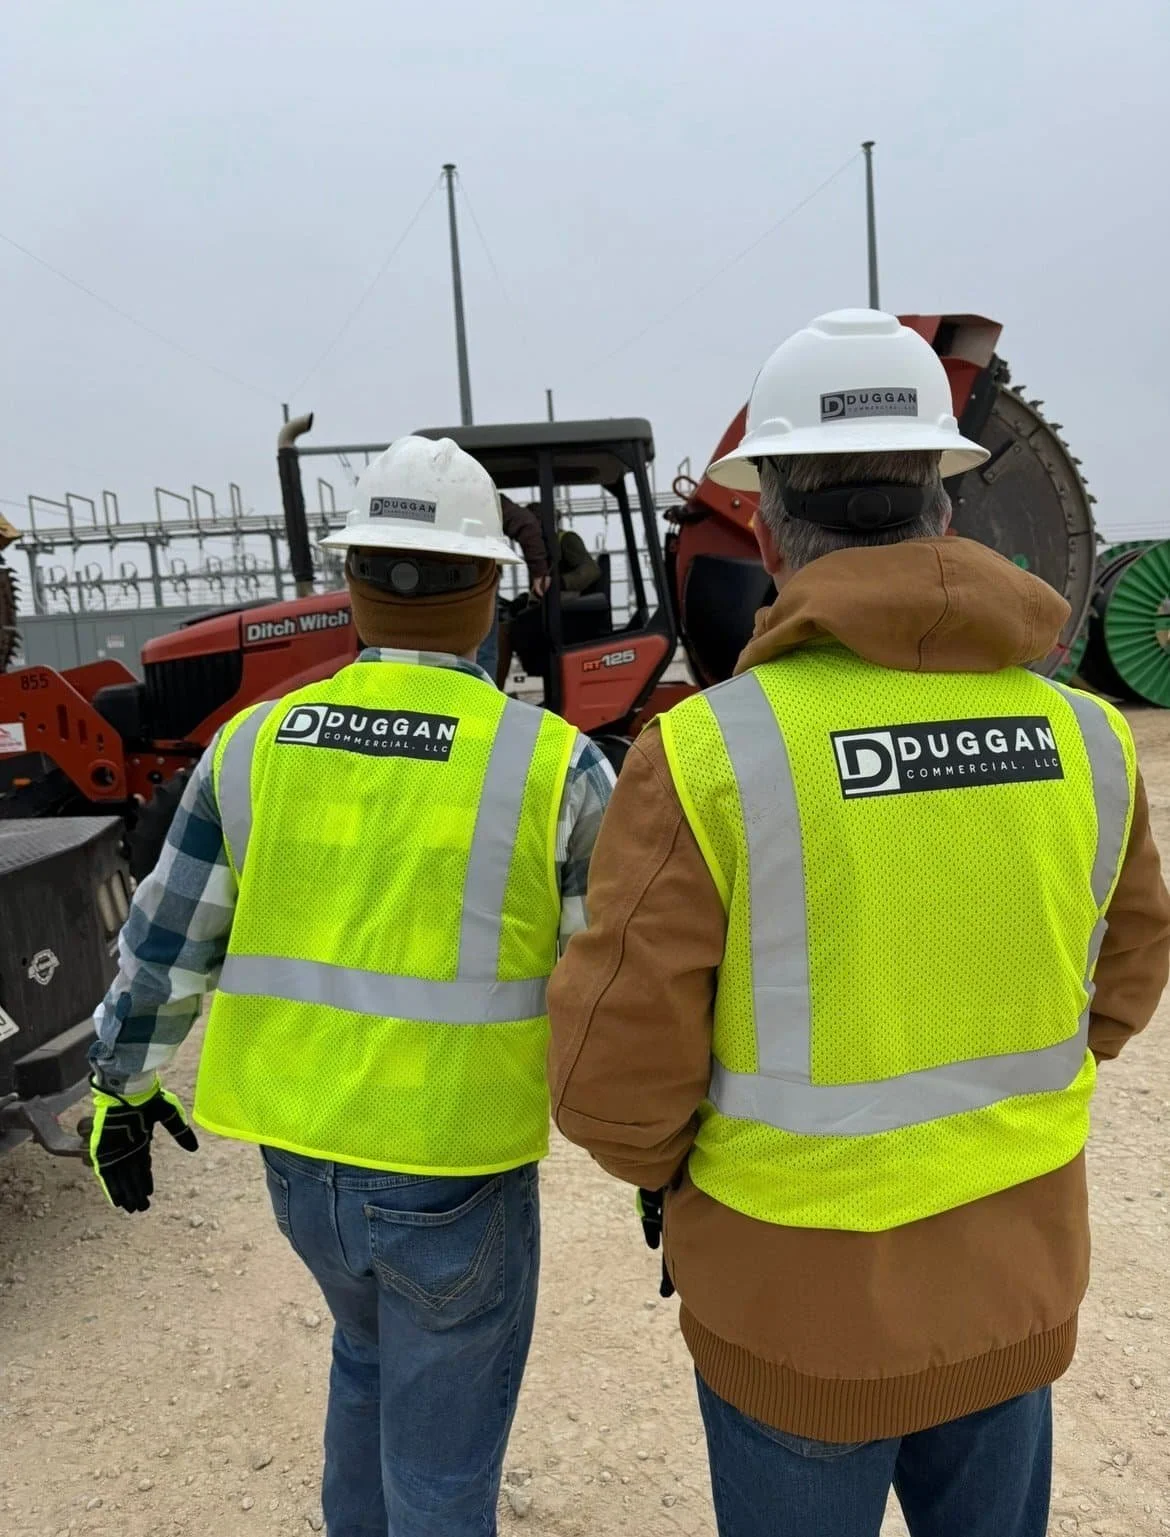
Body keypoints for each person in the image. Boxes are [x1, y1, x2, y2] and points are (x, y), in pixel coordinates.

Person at [548, 309, 1170, 1537]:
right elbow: (1130, 964)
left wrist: (670, 1170)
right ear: (945, 509)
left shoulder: (710, 753)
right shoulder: (1087, 736)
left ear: (771, 527)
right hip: (1013, 1292)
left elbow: (610, 1084)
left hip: (791, 1320)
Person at [88, 435, 615, 1537]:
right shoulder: (553, 764)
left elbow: (165, 939)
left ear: (352, 585)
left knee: (367, 1357)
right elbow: (611, 992)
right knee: (443, 1466)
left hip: (301, 1170)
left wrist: (119, 1087)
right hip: (450, 1170)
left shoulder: (250, 745)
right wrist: (654, 1148)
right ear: (486, 590)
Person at [476, 493, 551, 682]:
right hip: (476, 585)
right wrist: (539, 571)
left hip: (413, 586)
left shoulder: (414, 485)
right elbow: (526, 523)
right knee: (483, 651)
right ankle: (481, 705)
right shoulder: (478, 491)